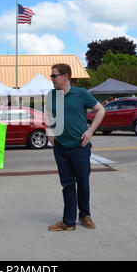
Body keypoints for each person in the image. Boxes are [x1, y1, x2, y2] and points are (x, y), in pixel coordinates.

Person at [45, 63, 105, 231]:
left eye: (54, 76)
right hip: (60, 147)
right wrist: (50, 132)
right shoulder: (52, 95)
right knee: (68, 185)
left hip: (80, 146)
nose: (52, 79)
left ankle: (85, 215)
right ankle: (69, 221)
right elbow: (48, 114)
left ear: (65, 76)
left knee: (83, 183)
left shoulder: (81, 94)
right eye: (51, 76)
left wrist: (90, 131)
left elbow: (101, 110)